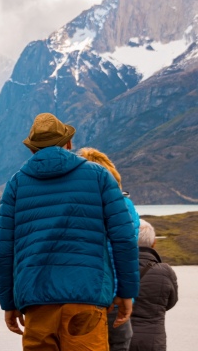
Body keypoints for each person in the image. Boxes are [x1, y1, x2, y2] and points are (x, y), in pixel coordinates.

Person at [0, 112, 139, 350]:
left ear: (32, 150)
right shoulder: (99, 176)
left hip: (35, 301)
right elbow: (123, 239)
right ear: (69, 143)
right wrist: (126, 291)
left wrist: (8, 302)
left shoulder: (16, 184)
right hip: (87, 297)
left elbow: (3, 251)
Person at [78, 147, 141, 351]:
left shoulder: (79, 206)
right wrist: (125, 293)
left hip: (83, 298)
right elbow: (127, 250)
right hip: (116, 298)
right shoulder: (125, 206)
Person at [129, 219, 178, 351]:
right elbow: (171, 302)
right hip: (153, 341)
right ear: (153, 243)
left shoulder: (118, 267)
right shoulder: (165, 271)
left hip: (122, 337)